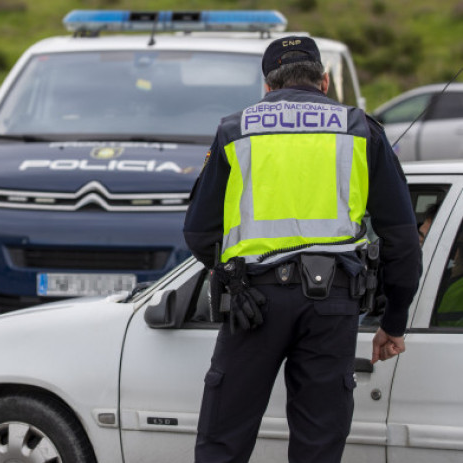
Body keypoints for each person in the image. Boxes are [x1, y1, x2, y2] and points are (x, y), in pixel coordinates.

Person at [183, 36, 422, 463]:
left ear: (267, 88)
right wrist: (395, 320)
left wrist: (231, 277)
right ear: (325, 81)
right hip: (333, 304)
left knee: (224, 440)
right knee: (318, 445)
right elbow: (403, 239)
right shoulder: (361, 129)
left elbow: (199, 232)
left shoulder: (235, 130)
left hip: (252, 303)